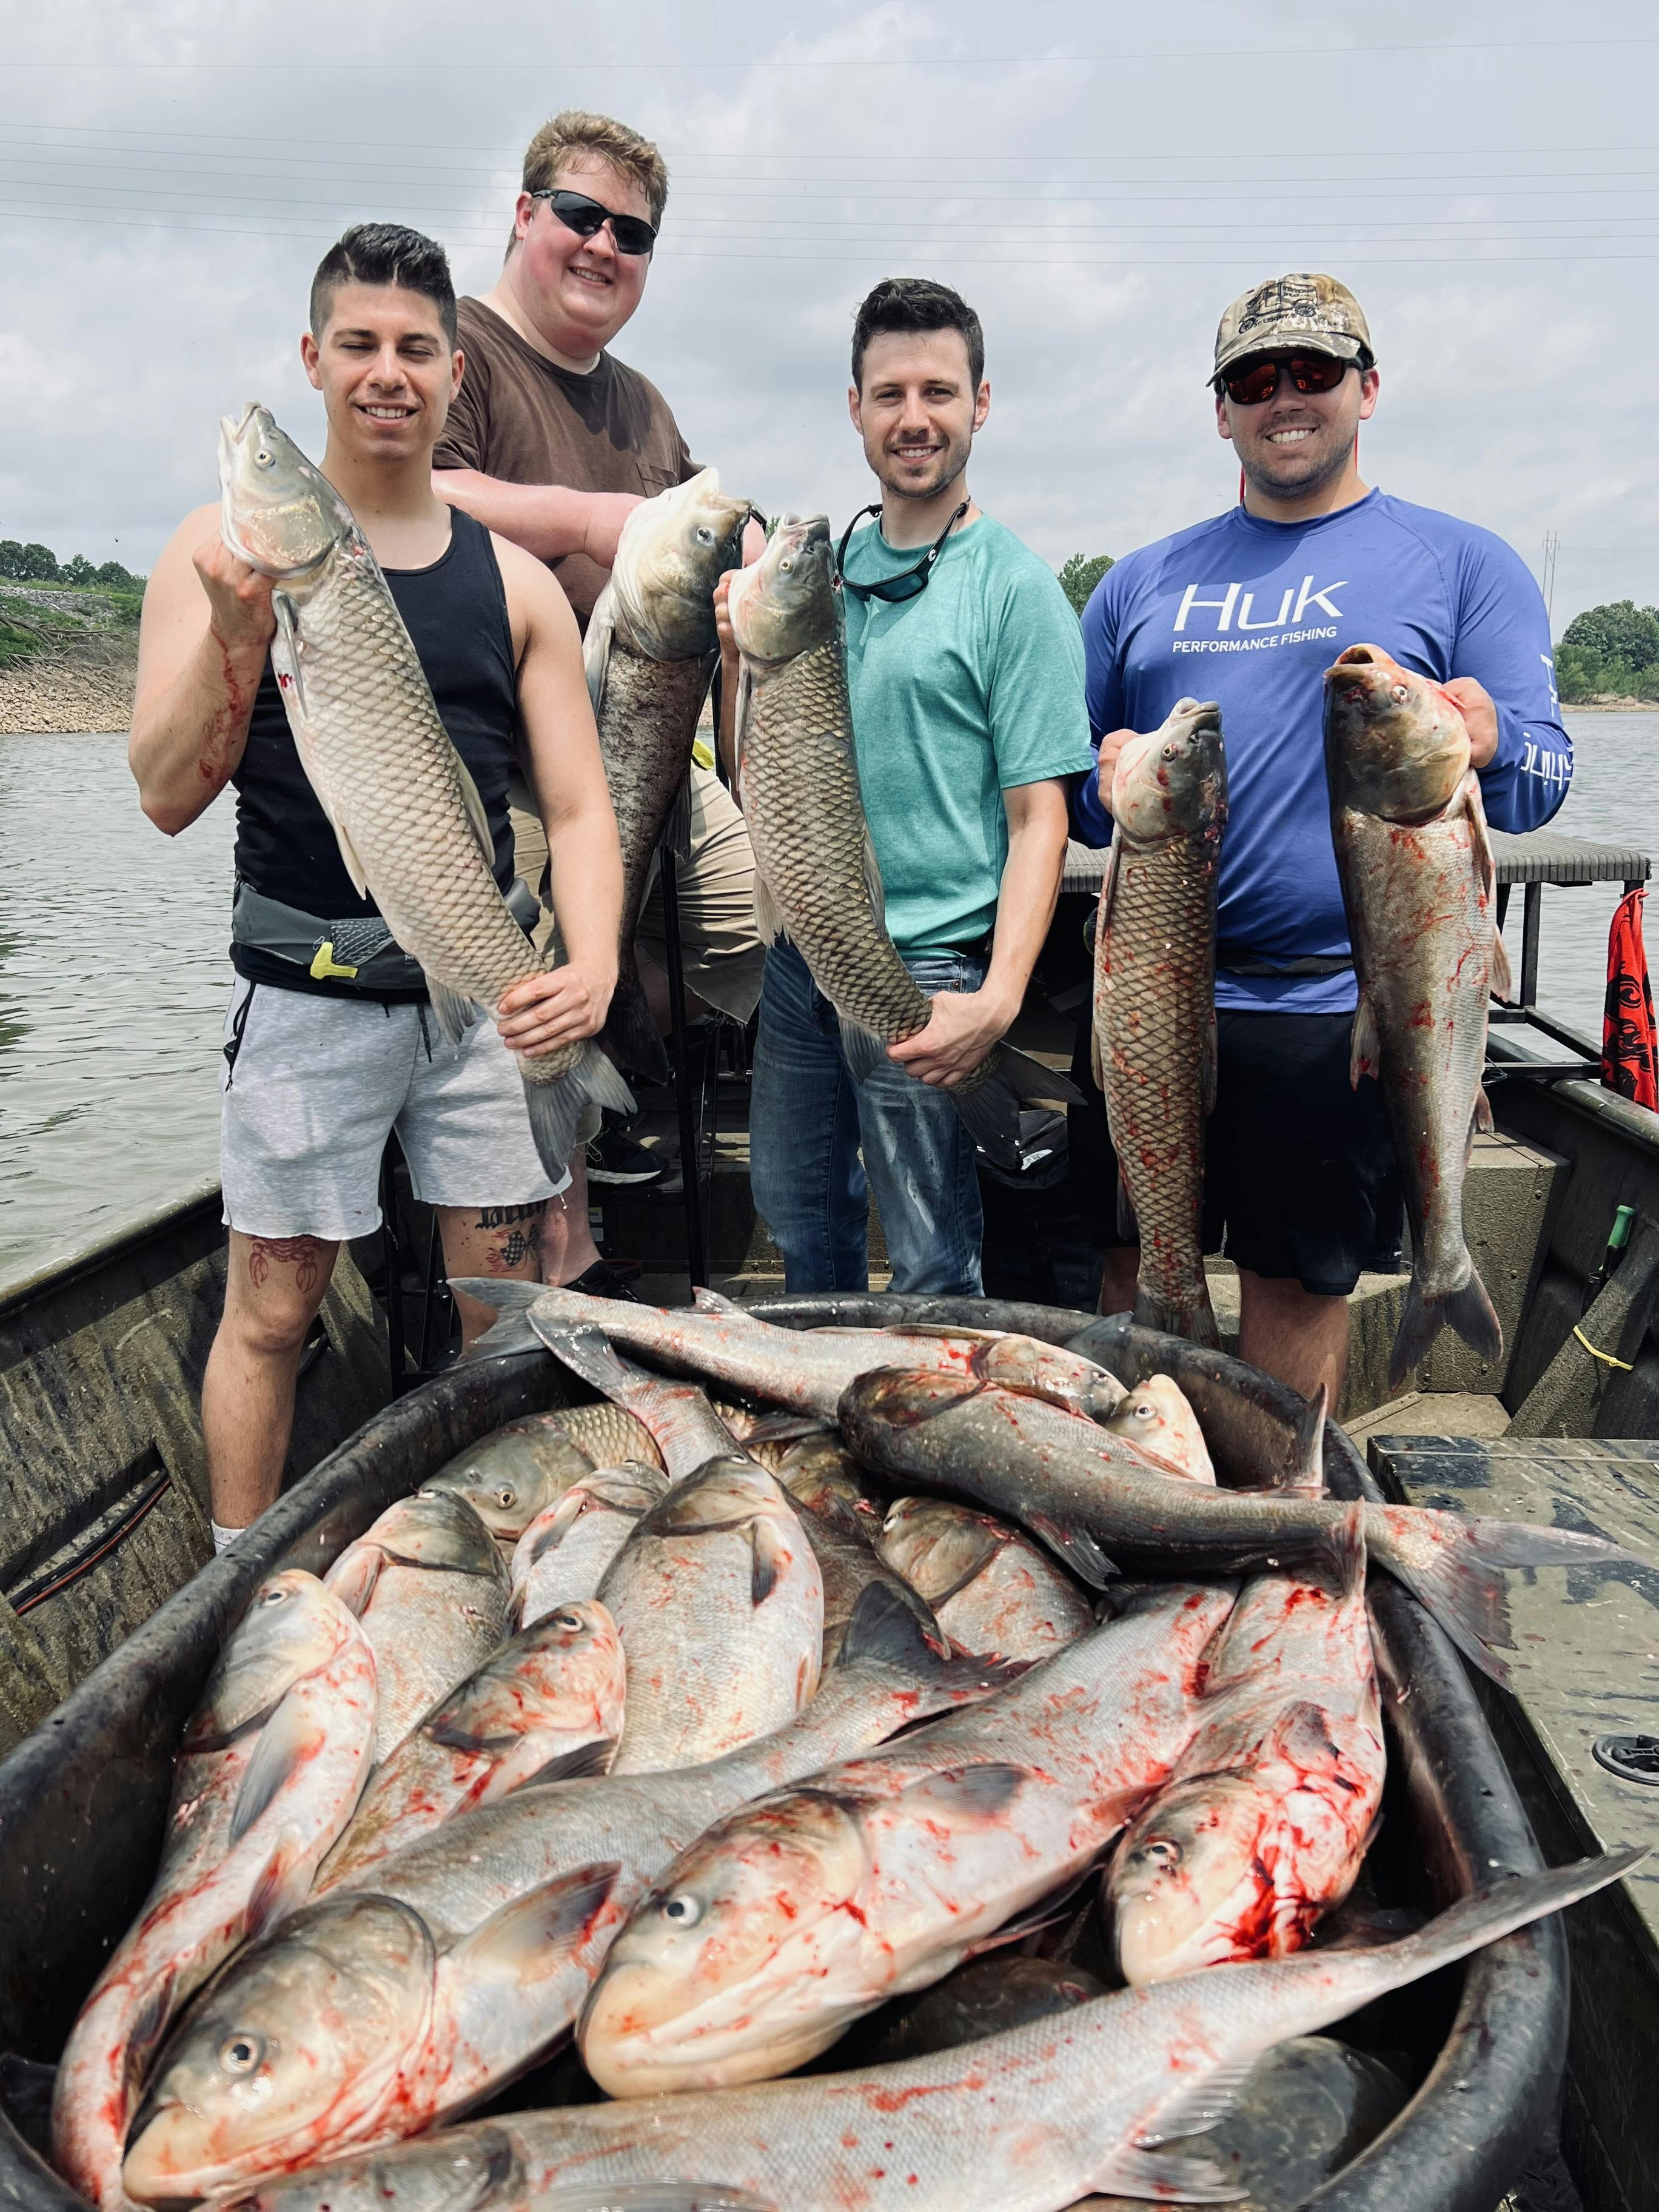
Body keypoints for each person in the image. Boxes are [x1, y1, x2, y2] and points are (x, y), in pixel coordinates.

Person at [130, 223, 622, 1549]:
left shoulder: (515, 581)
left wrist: (591, 971)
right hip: (304, 998)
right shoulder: (214, 549)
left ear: (457, 373)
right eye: (358, 345)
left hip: (482, 1002)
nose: (386, 373)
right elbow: (166, 794)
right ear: (314, 358)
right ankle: (245, 1588)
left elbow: (578, 809)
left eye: (415, 349)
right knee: (274, 1314)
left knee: (503, 1320)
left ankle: (505, 1569)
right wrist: (239, 631)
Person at [1073, 271, 1573, 1404]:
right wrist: (1104, 776)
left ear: (1368, 388)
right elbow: (1072, 786)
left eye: (1314, 372)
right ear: (1221, 411)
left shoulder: (1462, 561)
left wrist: (1496, 742)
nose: (1284, 398)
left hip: (1335, 1008)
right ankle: (1144, 1504)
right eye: (1255, 380)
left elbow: (1544, 781)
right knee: (1122, 1259)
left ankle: (1275, 1532)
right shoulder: (1138, 582)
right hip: (1150, 990)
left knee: (1294, 1287)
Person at [432, 109, 766, 1289]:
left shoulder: (644, 403)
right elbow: (407, 496)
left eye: (633, 231)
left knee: (752, 922)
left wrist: (752, 553)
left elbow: (704, 521)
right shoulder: (453, 346)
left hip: (653, 737)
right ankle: (561, 1227)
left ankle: (614, 1046)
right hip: (506, 751)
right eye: (581, 214)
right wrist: (581, 519)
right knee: (544, 968)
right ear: (526, 215)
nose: (604, 245)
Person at [723, 277, 1094, 1298]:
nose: (914, 418)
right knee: (801, 1214)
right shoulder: (822, 576)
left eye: (939, 391)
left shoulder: (1013, 587)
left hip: (928, 961)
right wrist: (732, 659)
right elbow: (749, 770)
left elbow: (1040, 820)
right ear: (855, 409)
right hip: (801, 951)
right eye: (889, 394)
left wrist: (998, 999)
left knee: (933, 1254)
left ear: (981, 403)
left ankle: (934, 1440)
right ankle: (824, 1410)